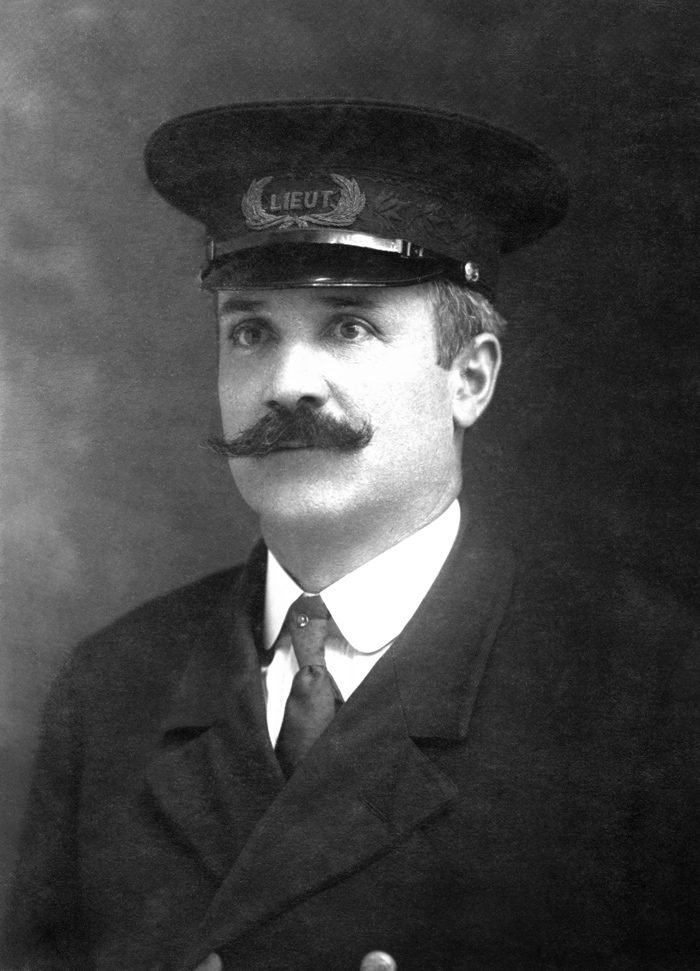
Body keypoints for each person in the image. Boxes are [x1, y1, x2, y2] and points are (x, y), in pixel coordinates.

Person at [2, 100, 697, 971]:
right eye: (251, 331)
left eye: (350, 325)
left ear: (470, 378)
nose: (287, 383)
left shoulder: (645, 690)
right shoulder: (111, 690)